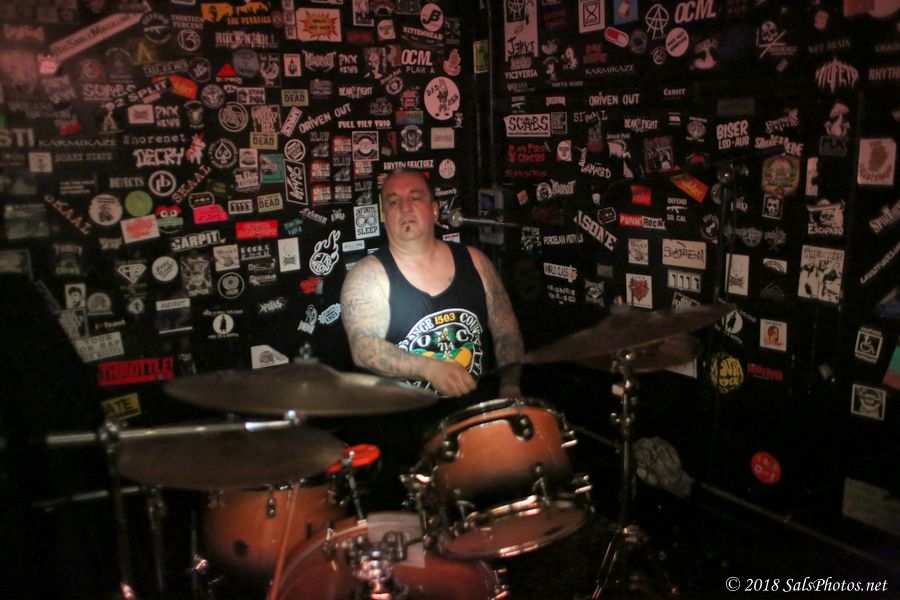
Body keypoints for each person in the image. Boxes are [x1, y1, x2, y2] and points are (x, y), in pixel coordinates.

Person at [340, 169, 523, 399]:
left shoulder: (476, 262)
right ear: (385, 216)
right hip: (408, 416)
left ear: (434, 210)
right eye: (393, 202)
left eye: (415, 198)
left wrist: (510, 386)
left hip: (474, 413)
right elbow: (363, 347)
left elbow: (506, 333)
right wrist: (428, 368)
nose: (405, 208)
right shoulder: (367, 275)